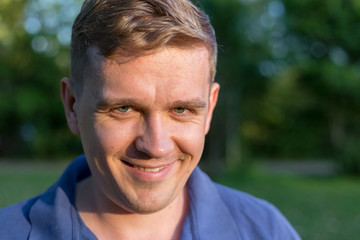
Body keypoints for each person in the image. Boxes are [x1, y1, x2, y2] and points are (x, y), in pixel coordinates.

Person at [0, 0, 301, 239]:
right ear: (72, 106)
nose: (156, 146)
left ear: (209, 110)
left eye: (181, 110)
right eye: (124, 109)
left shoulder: (265, 230)